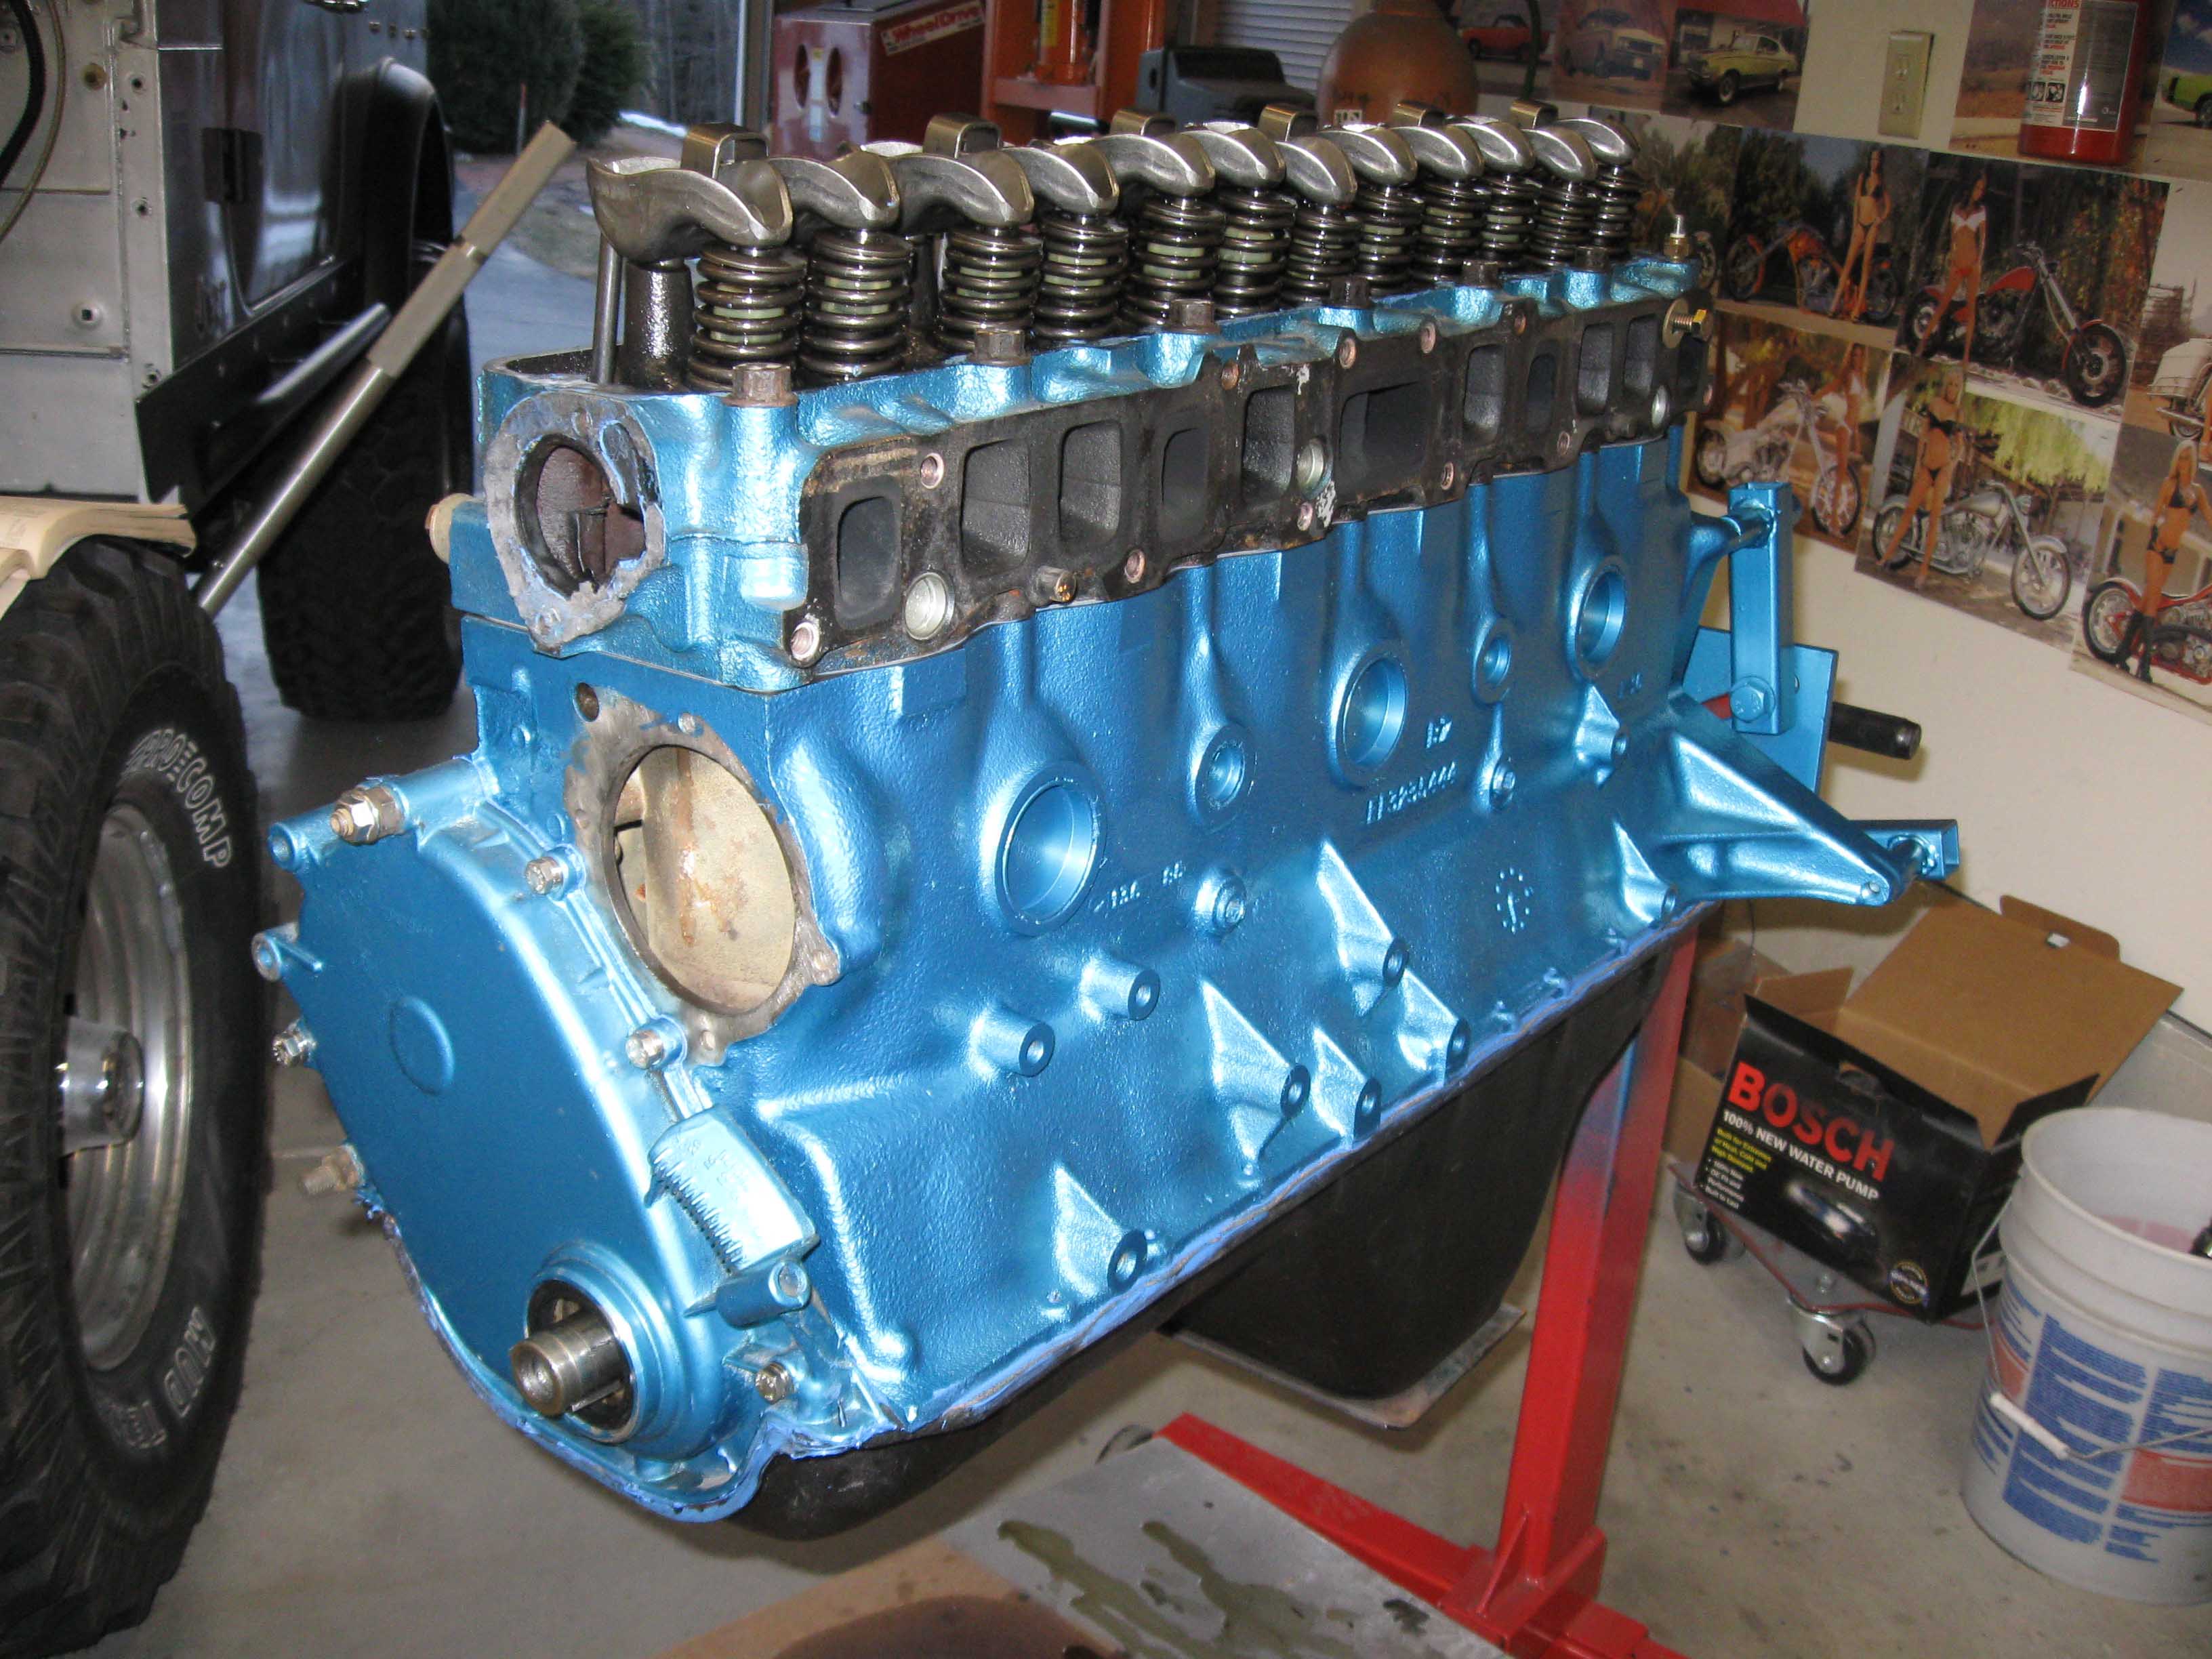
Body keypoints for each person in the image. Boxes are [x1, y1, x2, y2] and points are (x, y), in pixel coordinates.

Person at [2131, 421, 2212, 680]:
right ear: (2177, 461)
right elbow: (2156, 515)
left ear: (2194, 461)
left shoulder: (2198, 492)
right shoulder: (2169, 484)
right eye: (2181, 458)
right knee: (2153, 604)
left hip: (2172, 554)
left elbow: (2210, 517)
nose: (2184, 463)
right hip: (2158, 548)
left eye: (2188, 459)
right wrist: (2154, 538)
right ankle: (2144, 666)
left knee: (2146, 602)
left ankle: (2122, 653)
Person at [1881, 370, 1963, 590]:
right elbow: (1923, 434)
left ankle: (1923, 572)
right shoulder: (1935, 403)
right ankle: (1887, 555)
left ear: (1959, 390)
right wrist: (1918, 461)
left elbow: (1960, 446)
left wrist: (1952, 466)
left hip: (1943, 469)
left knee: (1934, 520)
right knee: (1909, 510)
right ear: (1946, 385)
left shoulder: (1958, 412)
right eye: (1951, 384)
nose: (1953, 388)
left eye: (1957, 385)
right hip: (1927, 466)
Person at [1917, 171, 1987, 368]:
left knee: (1971, 309)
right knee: (1943, 304)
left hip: (1973, 265)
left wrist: (1978, 262)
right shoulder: (1956, 209)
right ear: (1970, 187)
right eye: (1977, 187)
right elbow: (1953, 239)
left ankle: (1965, 358)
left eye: (1982, 189)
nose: (1979, 192)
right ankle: (1922, 344)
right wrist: (1953, 260)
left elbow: (1983, 240)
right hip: (1957, 264)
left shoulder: (1981, 211)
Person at [1814, 348, 1868, 526]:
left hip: (1851, 429)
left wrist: (1857, 439)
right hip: (1844, 427)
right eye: (1854, 355)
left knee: (1842, 472)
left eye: (1860, 355)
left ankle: (1833, 517)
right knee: (1841, 472)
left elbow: (1858, 410)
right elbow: (1832, 386)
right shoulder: (1848, 375)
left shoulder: (1862, 377)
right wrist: (1814, 397)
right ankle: (1833, 520)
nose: (1857, 358)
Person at [1835, 149, 1890, 322]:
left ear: (1881, 162)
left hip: (1873, 226)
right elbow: (1856, 202)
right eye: (1873, 159)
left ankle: (1857, 310)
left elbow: (1888, 206)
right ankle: (1834, 304)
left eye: (1878, 160)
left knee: (1866, 268)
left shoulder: (1881, 181)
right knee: (1848, 265)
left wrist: (1881, 219)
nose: (1875, 162)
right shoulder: (1863, 177)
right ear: (1869, 160)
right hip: (1860, 225)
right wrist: (1854, 226)